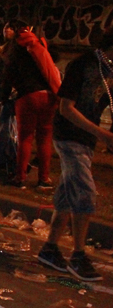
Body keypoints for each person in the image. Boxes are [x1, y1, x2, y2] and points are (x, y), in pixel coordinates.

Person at [36, 30, 113, 282]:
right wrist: (100, 133)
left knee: (69, 192)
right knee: (85, 191)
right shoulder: (82, 65)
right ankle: (78, 255)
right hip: (69, 136)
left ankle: (50, 248)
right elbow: (65, 108)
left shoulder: (109, 70)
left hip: (87, 139)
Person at [0, 22, 61, 189]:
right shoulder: (38, 45)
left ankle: (20, 177)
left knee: (25, 139)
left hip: (27, 96)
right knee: (45, 139)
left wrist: (3, 97)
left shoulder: (13, 52)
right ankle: (44, 179)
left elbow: (7, 76)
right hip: (47, 96)